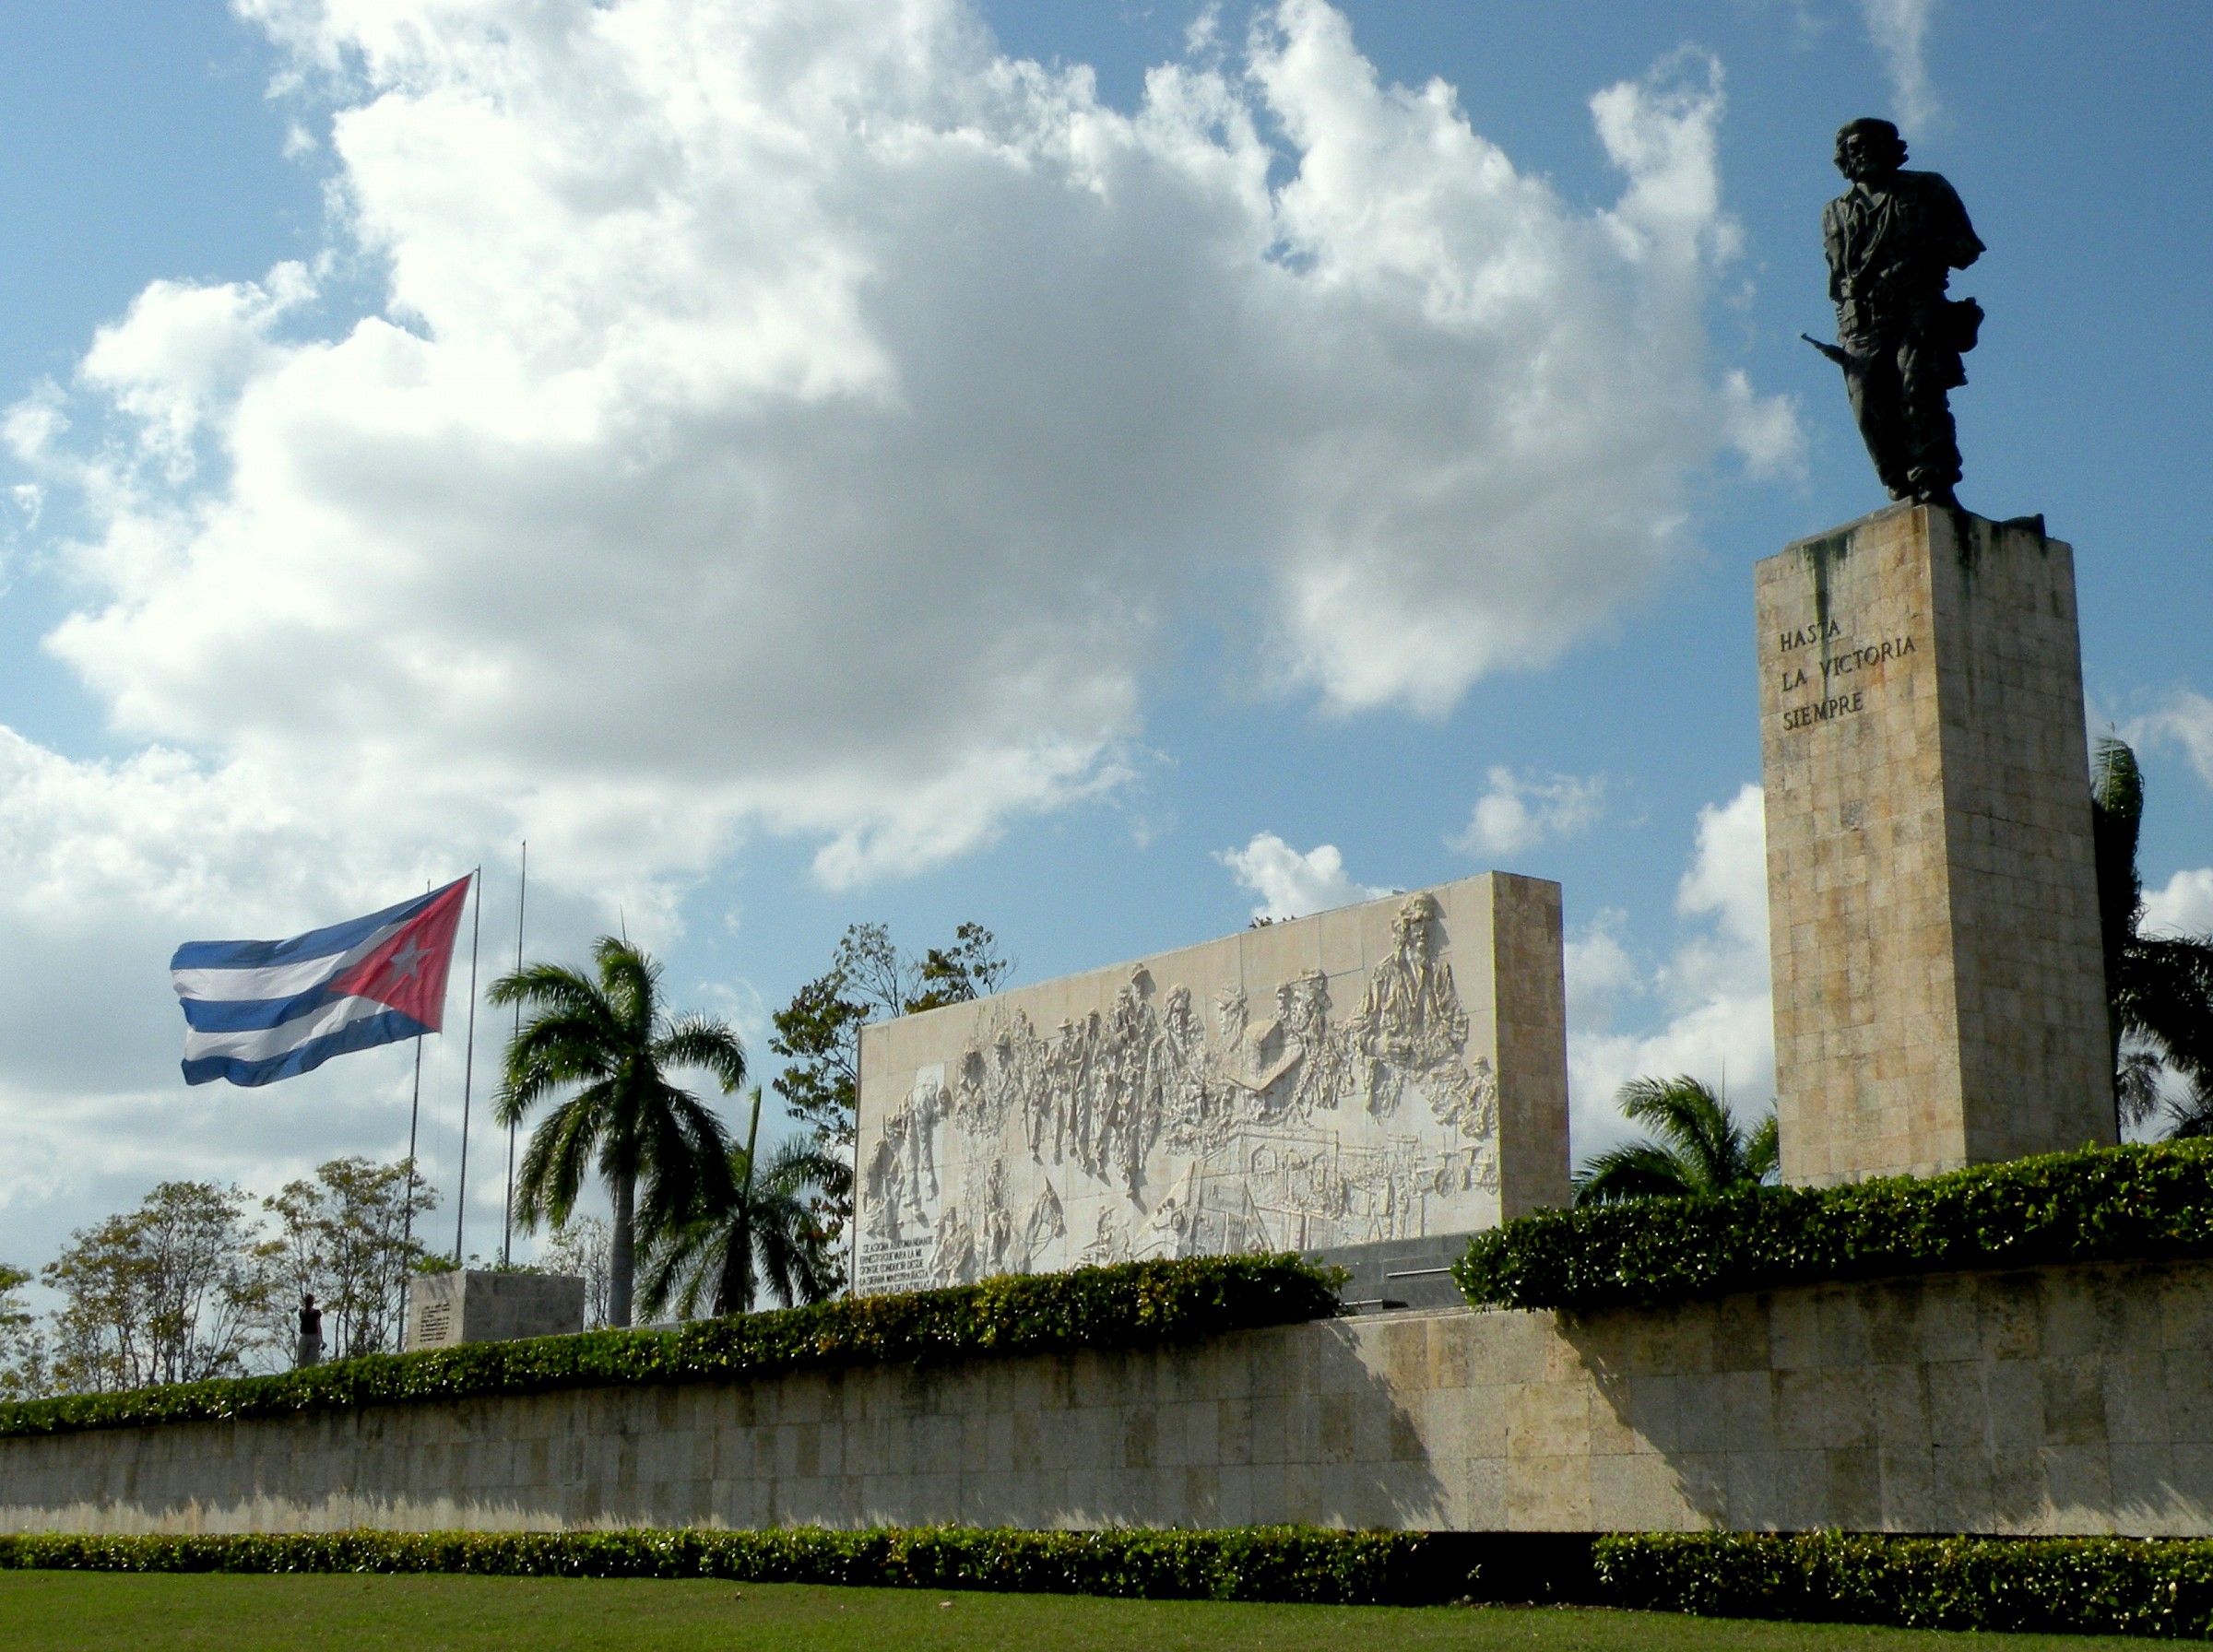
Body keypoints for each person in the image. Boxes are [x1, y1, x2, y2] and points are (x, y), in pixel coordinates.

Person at [1817, 118, 1985, 506]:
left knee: (1919, 391)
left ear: (1892, 149)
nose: (1862, 154)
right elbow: (1836, 276)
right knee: (1867, 407)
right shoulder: (1834, 212)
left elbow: (1966, 247)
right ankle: (1898, 482)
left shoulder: (1926, 187)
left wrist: (1914, 264)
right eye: (1853, 148)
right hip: (1862, 324)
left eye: (1871, 144)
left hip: (1918, 310)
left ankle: (1933, 481)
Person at [295, 1290, 324, 1368]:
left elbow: (318, 1326)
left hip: (312, 1336)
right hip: (306, 1336)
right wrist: (321, 1340)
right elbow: (319, 1326)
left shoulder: (315, 1313)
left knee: (311, 1360)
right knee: (303, 1360)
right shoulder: (302, 1312)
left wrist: (321, 1340)